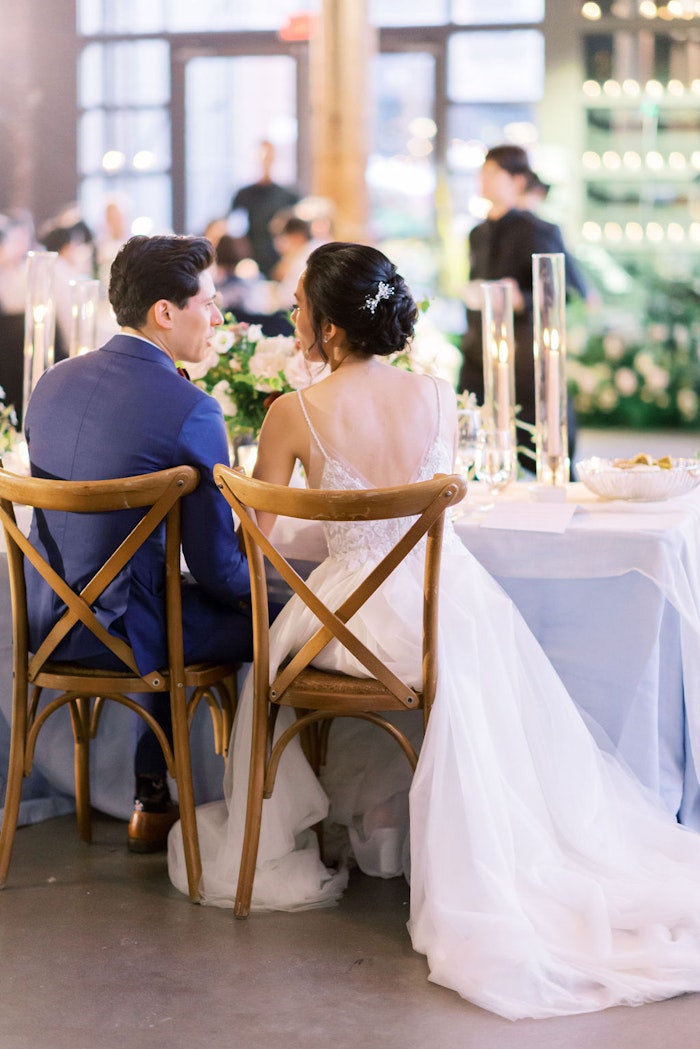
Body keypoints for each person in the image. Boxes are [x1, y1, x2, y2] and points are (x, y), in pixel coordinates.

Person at [168, 241, 700, 1020]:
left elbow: (267, 537)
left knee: (270, 659)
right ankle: (441, 842)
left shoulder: (293, 411)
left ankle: (309, 836)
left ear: (333, 331)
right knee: (480, 669)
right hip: (444, 609)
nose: (293, 319)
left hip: (341, 621)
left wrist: (334, 529)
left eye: (301, 310)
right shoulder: (439, 396)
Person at [24, 234, 256, 853]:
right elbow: (218, 572)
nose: (217, 316)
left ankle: (153, 796)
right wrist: (273, 593)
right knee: (282, 623)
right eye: (207, 303)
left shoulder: (50, 384)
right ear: (164, 312)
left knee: (169, 597)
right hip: (133, 637)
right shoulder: (190, 407)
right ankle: (266, 819)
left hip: (49, 627)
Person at [458, 145, 586, 468]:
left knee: (532, 445)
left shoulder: (537, 230)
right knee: (472, 441)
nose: (483, 180)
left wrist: (520, 299)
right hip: (478, 349)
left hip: (525, 356)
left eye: (492, 173)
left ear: (517, 181)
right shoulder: (477, 233)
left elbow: (562, 293)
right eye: (481, 173)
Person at [229, 140, 299, 278]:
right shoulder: (243, 195)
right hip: (251, 261)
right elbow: (234, 228)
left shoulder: (288, 196)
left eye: (269, 156)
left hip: (278, 261)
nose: (265, 161)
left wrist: (288, 262)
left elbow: (296, 235)